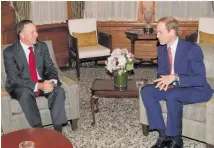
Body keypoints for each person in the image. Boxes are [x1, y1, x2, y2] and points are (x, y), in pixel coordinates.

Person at [141, 16, 213, 148]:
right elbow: (162, 72)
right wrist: (163, 82)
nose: (157, 36)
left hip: (197, 88)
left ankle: (176, 139)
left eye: (160, 32)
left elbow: (200, 78)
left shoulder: (192, 49)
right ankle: (164, 135)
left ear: (172, 32)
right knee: (147, 91)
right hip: (173, 86)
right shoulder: (162, 48)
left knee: (172, 95)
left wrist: (175, 77)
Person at [3, 20, 68, 133]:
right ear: (22, 35)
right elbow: (14, 79)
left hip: (41, 81)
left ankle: (58, 131)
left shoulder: (42, 47)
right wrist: (38, 85)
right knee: (25, 94)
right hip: (21, 86)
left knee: (58, 91)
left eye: (36, 31)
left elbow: (51, 68)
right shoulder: (10, 52)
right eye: (32, 32)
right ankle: (39, 130)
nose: (36, 34)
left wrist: (51, 82)